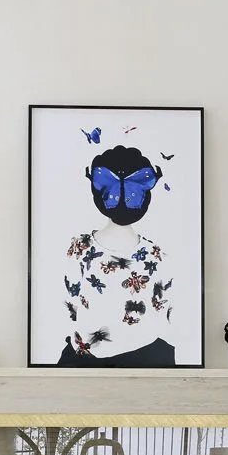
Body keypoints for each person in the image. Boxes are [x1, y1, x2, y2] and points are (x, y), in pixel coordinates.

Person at [56, 144, 175, 366]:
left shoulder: (80, 247)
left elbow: (69, 304)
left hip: (116, 360)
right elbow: (164, 310)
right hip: (141, 358)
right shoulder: (157, 255)